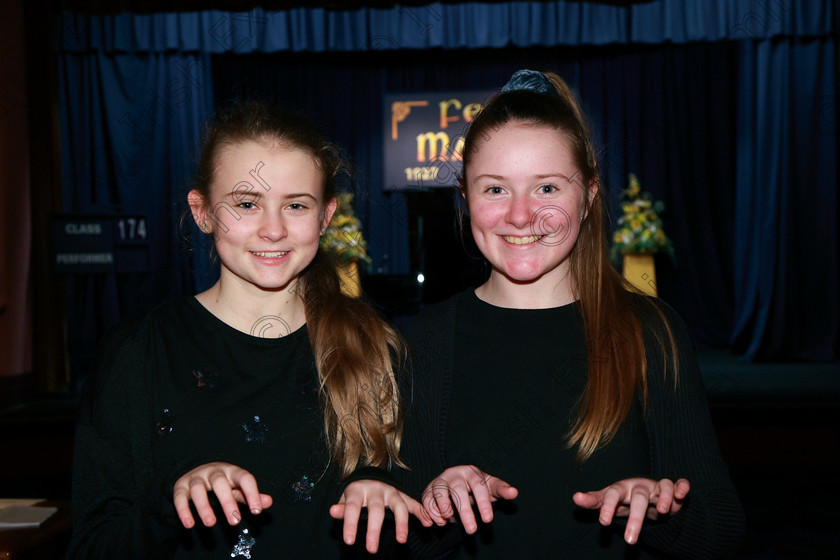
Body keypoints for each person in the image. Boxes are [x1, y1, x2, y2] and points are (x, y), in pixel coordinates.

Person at [400, 70, 746, 558]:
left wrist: (660, 513)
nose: (521, 216)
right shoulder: (429, 337)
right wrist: (438, 506)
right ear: (465, 199)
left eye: (546, 189)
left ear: (588, 197)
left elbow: (722, 533)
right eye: (495, 189)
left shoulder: (651, 331)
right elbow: (403, 544)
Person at [67, 99, 429, 559]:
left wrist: (382, 487)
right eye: (246, 203)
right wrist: (171, 494)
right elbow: (93, 547)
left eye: (295, 205)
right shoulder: (137, 353)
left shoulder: (378, 347)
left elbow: (426, 529)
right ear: (202, 212)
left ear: (325, 217)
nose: (273, 229)